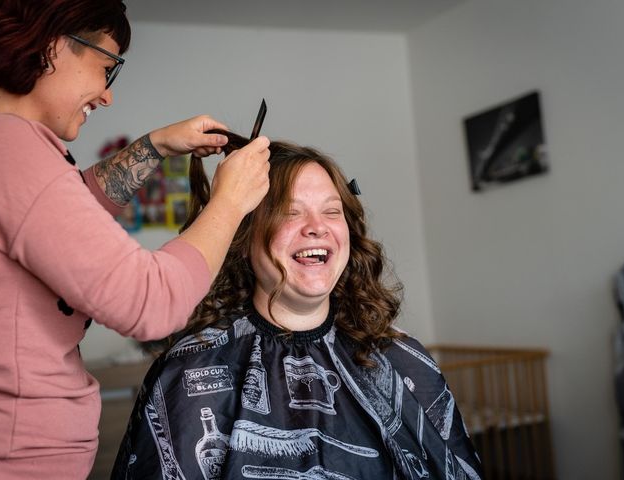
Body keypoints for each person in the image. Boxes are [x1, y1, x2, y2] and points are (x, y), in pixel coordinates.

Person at [0, 1, 270, 478]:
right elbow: (151, 302)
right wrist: (229, 203)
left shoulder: (9, 149)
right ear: (54, 44)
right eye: (106, 68)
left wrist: (157, 145)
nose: (105, 95)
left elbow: (62, 213)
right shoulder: (13, 150)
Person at [111, 133, 483, 479]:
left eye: (332, 211)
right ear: (244, 236)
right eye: (291, 211)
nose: (317, 227)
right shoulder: (193, 370)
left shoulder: (404, 360)